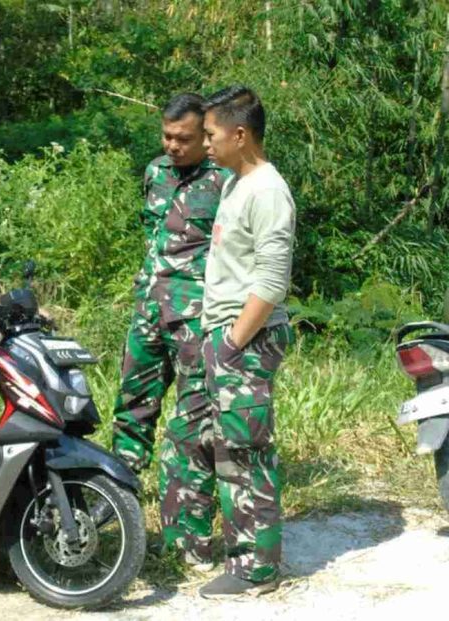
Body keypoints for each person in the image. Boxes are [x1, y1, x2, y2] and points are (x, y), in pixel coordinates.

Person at [110, 93, 229, 565]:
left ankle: (185, 542)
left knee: (192, 426)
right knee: (130, 415)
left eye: (184, 138)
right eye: (167, 136)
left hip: (195, 320)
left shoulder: (226, 181)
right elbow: (152, 235)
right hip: (147, 313)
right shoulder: (155, 171)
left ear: (206, 136)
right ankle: (118, 524)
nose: (173, 145)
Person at [197, 85, 296, 598]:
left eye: (211, 134)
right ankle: (246, 553)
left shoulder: (267, 190)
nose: (205, 142)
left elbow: (272, 280)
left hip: (246, 339)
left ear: (240, 134)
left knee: (247, 452)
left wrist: (232, 343)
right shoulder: (238, 182)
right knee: (230, 448)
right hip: (229, 336)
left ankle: (257, 569)